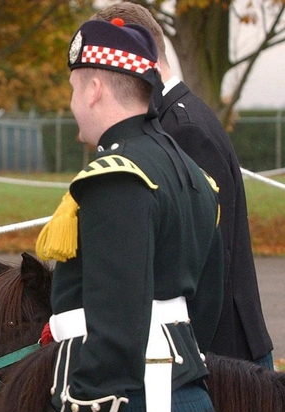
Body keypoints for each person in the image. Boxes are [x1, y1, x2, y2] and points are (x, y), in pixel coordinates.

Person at [34, 19, 249, 412]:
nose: (71, 103)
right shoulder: (193, 174)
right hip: (182, 399)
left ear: (96, 86)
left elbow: (116, 323)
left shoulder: (116, 175)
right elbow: (207, 302)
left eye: (72, 89)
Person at [95, 2, 274, 369]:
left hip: (224, 350)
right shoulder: (174, 120)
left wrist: (185, 357)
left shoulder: (184, 129)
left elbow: (208, 258)